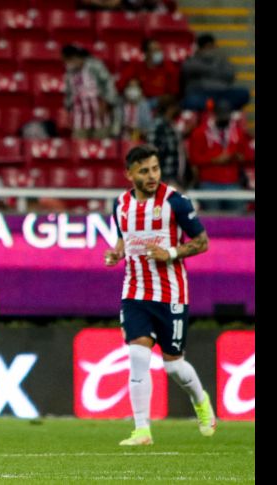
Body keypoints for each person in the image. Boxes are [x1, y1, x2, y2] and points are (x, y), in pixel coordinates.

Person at [103, 144, 216, 446]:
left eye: (155, 169)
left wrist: (172, 252)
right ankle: (142, 430)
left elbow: (202, 242)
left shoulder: (175, 202)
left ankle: (200, 400)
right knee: (138, 355)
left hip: (171, 293)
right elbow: (124, 237)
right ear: (129, 174)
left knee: (173, 365)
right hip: (135, 291)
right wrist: (117, 253)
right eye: (144, 171)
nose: (152, 176)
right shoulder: (120, 205)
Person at [187, 100, 249, 213]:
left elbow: (246, 154)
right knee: (212, 218)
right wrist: (214, 160)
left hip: (232, 182)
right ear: (214, 114)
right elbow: (194, 158)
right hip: (209, 183)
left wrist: (238, 157)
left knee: (236, 219)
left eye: (226, 117)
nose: (224, 119)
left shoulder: (238, 132)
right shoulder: (200, 133)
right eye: (221, 117)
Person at [61, 44, 118, 140]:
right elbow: (68, 94)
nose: (67, 63)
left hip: (101, 115)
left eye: (68, 60)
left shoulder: (95, 66)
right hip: (80, 118)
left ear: (75, 57)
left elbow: (109, 85)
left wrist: (106, 103)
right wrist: (68, 110)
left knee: (100, 149)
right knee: (78, 148)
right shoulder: (69, 73)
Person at [181, 34, 250, 112]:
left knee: (244, 93)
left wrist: (207, 70)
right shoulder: (192, 61)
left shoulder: (222, 60)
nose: (210, 50)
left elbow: (230, 74)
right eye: (207, 47)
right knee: (190, 101)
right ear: (200, 48)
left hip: (222, 93)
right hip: (202, 93)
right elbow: (188, 70)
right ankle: (218, 105)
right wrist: (214, 69)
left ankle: (218, 104)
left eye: (211, 47)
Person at [117, 38, 180, 106]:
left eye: (159, 50)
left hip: (160, 106)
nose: (159, 53)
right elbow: (120, 85)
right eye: (155, 50)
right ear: (146, 53)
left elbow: (174, 94)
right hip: (138, 103)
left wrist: (159, 101)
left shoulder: (168, 68)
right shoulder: (136, 67)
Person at [147, 95, 186, 189]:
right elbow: (152, 154)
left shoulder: (171, 125)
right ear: (170, 108)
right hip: (164, 179)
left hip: (175, 178)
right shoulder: (157, 126)